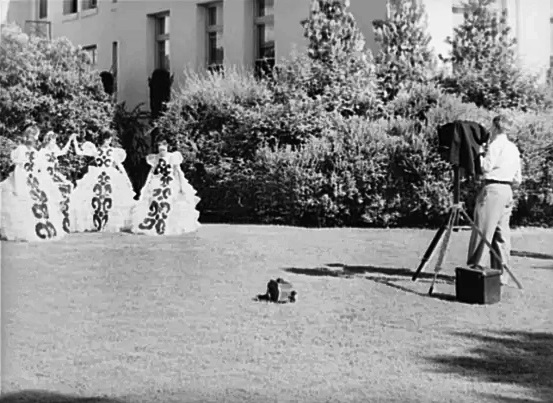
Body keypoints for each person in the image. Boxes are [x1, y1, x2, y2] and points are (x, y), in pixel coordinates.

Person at [467, 115, 522, 285]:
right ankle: (501, 273)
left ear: (495, 127)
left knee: (483, 229)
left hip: (493, 188)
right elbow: (517, 178)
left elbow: (486, 167)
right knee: (501, 234)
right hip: (507, 190)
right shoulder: (514, 148)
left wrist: (479, 154)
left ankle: (477, 268)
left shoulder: (495, 145)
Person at [0, 126, 65, 242]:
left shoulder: (30, 151)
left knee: (34, 204)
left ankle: (36, 230)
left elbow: (33, 168)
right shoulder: (25, 150)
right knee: (25, 203)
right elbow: (21, 168)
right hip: (26, 180)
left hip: (31, 180)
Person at [70, 129, 136, 232]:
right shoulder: (96, 150)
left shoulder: (113, 151)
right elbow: (79, 152)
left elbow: (119, 165)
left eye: (109, 138)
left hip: (111, 175)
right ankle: (96, 223)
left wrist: (127, 179)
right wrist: (74, 141)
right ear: (103, 139)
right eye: (107, 138)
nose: (108, 140)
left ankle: (110, 223)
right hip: (97, 175)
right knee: (93, 198)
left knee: (113, 199)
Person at [130, 139, 200, 236]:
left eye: (163, 149)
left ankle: (167, 226)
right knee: (154, 202)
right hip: (157, 182)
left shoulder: (172, 157)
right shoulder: (156, 158)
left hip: (169, 183)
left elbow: (178, 172)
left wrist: (181, 185)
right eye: (160, 150)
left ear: (167, 148)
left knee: (169, 202)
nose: (161, 152)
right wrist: (146, 185)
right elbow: (151, 172)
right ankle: (154, 225)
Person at [37, 131, 77, 233]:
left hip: (54, 175)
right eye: (52, 140)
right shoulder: (42, 152)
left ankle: (63, 222)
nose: (54, 142)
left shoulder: (54, 150)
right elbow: (39, 167)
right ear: (48, 140)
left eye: (55, 140)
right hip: (45, 177)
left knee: (67, 188)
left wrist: (70, 140)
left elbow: (63, 151)